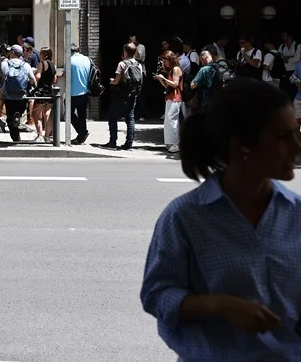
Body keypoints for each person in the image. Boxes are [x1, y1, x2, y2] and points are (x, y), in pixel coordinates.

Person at [140, 80, 301, 361]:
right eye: (282, 137)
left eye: (296, 134)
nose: (297, 147)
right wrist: (218, 305)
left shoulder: (296, 214)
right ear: (243, 147)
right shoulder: (185, 217)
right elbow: (157, 294)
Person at [103, 42, 144, 150]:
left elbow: (116, 81)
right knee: (130, 118)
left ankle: (112, 141)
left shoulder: (122, 64)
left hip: (121, 94)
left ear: (125, 52)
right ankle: (129, 143)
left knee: (112, 117)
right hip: (133, 94)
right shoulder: (139, 65)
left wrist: (112, 81)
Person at [155, 50, 183, 154]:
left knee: (172, 120)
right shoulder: (172, 70)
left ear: (170, 59)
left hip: (175, 98)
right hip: (171, 97)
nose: (164, 62)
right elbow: (168, 86)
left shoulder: (176, 69)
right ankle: (171, 143)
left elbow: (175, 84)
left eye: (165, 60)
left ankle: (175, 144)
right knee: (169, 121)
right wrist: (161, 80)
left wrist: (163, 78)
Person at [68, 44, 92, 144]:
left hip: (73, 93)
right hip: (84, 92)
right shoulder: (87, 59)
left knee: (69, 114)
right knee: (82, 115)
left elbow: (66, 75)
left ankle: (82, 133)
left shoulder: (69, 60)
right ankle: (81, 135)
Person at [30, 47, 56, 143]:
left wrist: (35, 73)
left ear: (44, 55)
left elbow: (38, 77)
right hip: (49, 91)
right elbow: (54, 80)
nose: (39, 56)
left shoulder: (42, 64)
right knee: (47, 114)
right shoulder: (53, 65)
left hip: (41, 91)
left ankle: (40, 135)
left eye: (40, 54)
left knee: (35, 114)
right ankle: (47, 136)